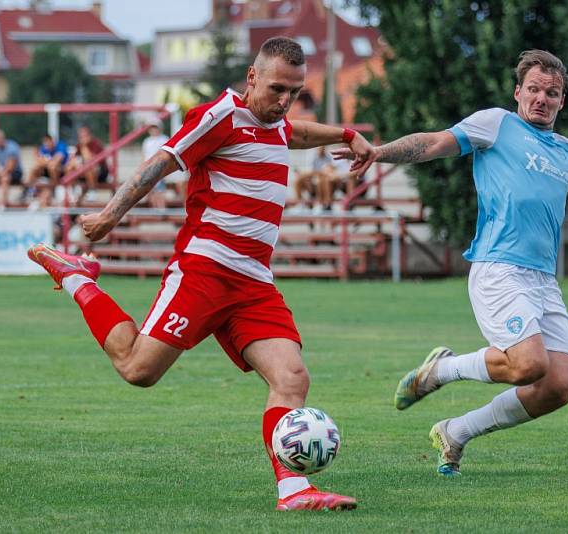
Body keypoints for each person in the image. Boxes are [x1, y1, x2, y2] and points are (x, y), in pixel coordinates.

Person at [28, 37, 376, 511]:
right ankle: (77, 277)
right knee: (137, 369)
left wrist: (344, 133)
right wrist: (111, 214)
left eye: (293, 92)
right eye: (276, 89)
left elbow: (294, 133)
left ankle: (294, 491)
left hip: (253, 284)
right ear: (252, 76)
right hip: (205, 271)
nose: (284, 101)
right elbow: (161, 161)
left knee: (292, 377)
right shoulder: (222, 116)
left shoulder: (274, 123)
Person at [335, 49, 568, 477]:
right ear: (518, 91)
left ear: (562, 101)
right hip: (498, 268)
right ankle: (444, 369)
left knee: (557, 386)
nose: (542, 98)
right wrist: (379, 152)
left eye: (552, 93)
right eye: (535, 89)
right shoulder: (496, 124)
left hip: (543, 280)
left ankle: (456, 432)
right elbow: (434, 142)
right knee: (529, 365)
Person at [66, 125, 109, 205]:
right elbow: (71, 160)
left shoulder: (96, 144)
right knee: (70, 168)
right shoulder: (78, 146)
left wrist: (84, 146)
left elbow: (90, 160)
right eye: (80, 136)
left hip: (101, 172)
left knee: (88, 168)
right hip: (86, 172)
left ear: (90, 135)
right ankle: (72, 192)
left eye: (84, 136)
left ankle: (92, 192)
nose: (82, 138)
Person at [25, 134, 69, 210]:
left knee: (52, 167)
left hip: (61, 172)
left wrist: (46, 161)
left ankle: (54, 186)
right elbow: (39, 161)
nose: (46, 144)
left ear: (52, 141)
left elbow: (56, 161)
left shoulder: (61, 146)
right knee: (35, 168)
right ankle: (28, 190)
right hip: (47, 173)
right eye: (45, 142)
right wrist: (46, 162)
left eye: (47, 142)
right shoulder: (44, 148)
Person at [140, 120, 169, 209]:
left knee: (159, 189)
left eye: (155, 127)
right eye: (152, 128)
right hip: (149, 167)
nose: (154, 130)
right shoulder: (147, 141)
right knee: (151, 189)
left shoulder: (164, 139)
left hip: (159, 167)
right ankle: (154, 207)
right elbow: (144, 155)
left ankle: (161, 207)